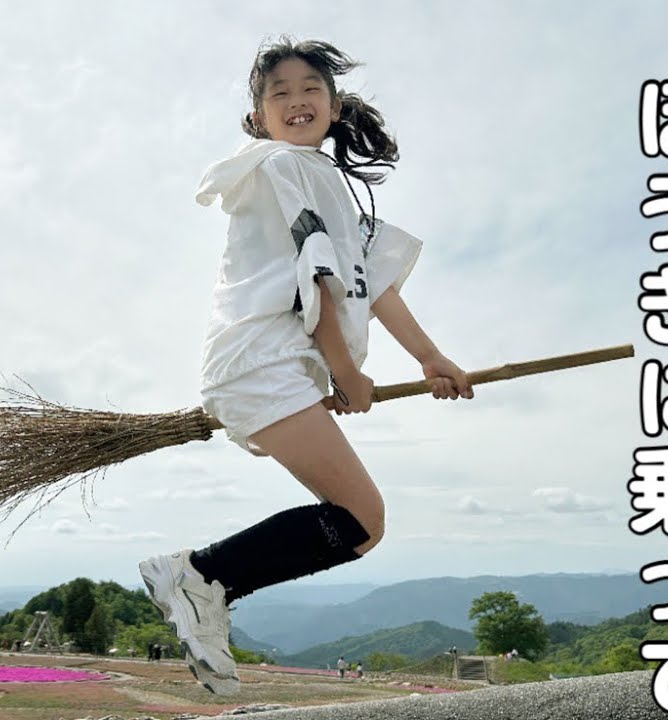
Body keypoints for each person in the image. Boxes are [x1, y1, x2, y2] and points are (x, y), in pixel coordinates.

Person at [139, 37, 473, 698]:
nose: (296, 100)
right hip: (259, 362)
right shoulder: (281, 166)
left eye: (309, 88)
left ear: (334, 102)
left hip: (271, 366)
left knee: (357, 521)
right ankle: (200, 576)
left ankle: (206, 581)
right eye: (279, 92)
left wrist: (431, 359)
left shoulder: (327, 184)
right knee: (360, 518)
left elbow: (372, 287)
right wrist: (346, 370)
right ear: (258, 116)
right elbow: (315, 275)